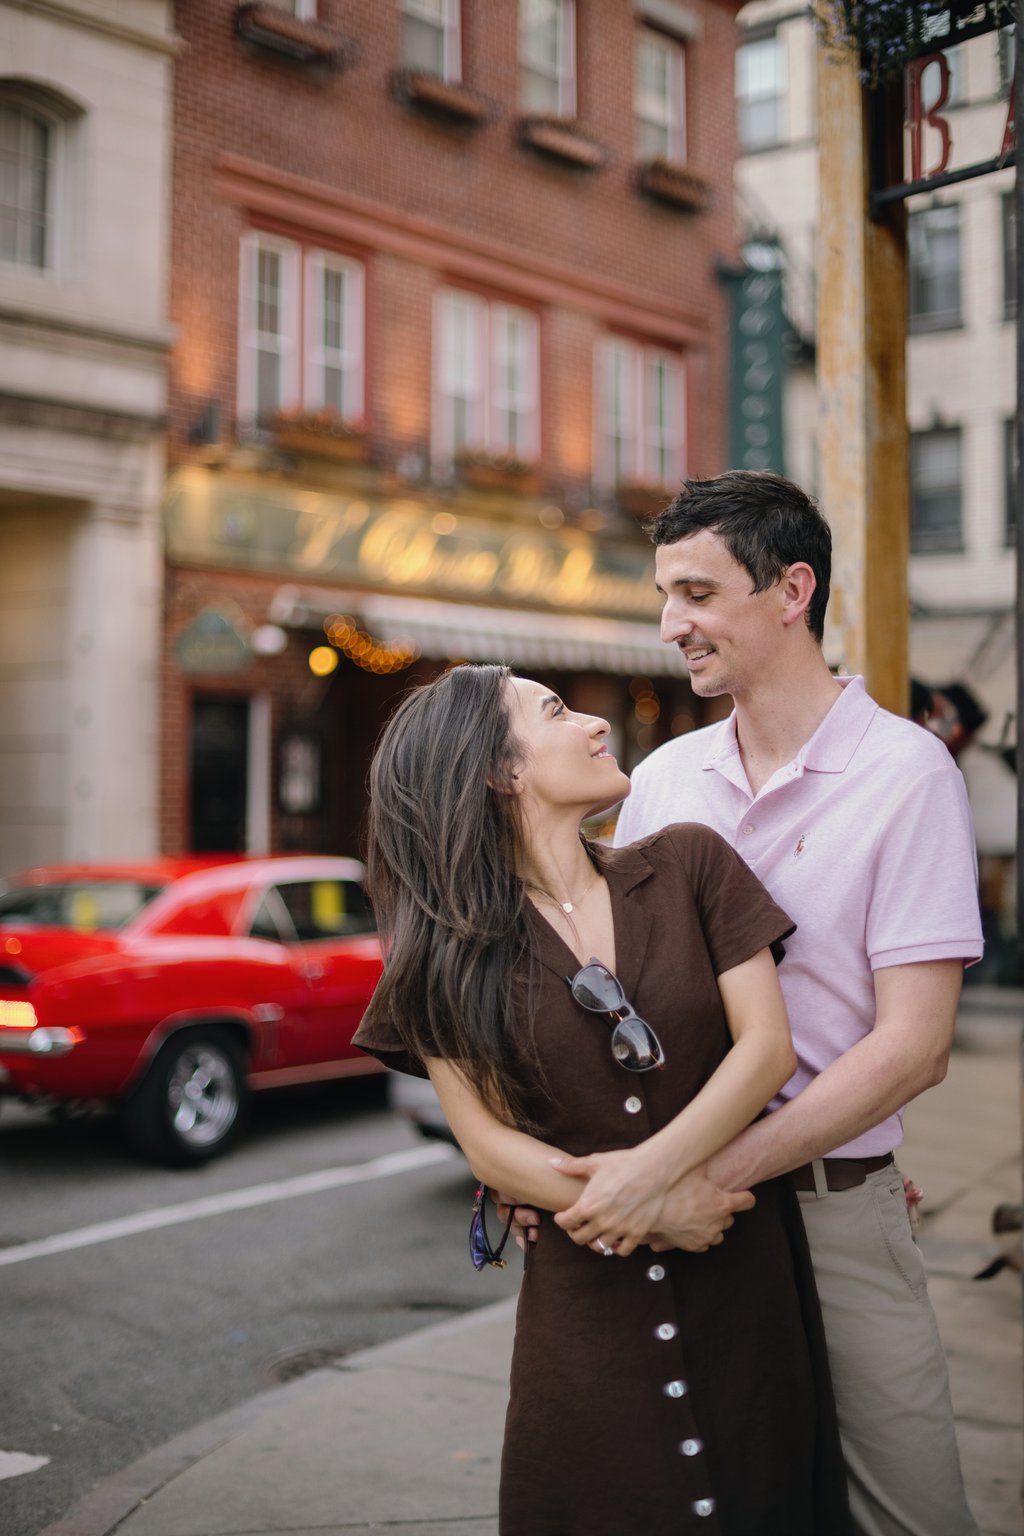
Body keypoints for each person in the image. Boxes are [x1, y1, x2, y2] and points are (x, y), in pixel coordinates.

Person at [539, 470, 981, 1536]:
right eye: (663, 595)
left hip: (830, 1204)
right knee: (713, 1502)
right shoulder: (664, 779)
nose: (668, 625)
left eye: (695, 594)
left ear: (791, 591)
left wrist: (694, 1181)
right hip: (683, 1212)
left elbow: (913, 1048)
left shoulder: (908, 772)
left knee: (908, 1510)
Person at [354, 662, 853, 1536]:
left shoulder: (690, 863)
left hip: (745, 1282)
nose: (592, 722)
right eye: (554, 711)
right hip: (585, 1319)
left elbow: (767, 1051)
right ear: (499, 770)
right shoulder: (442, 956)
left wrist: (647, 1182)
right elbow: (486, 1146)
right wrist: (655, 1211)